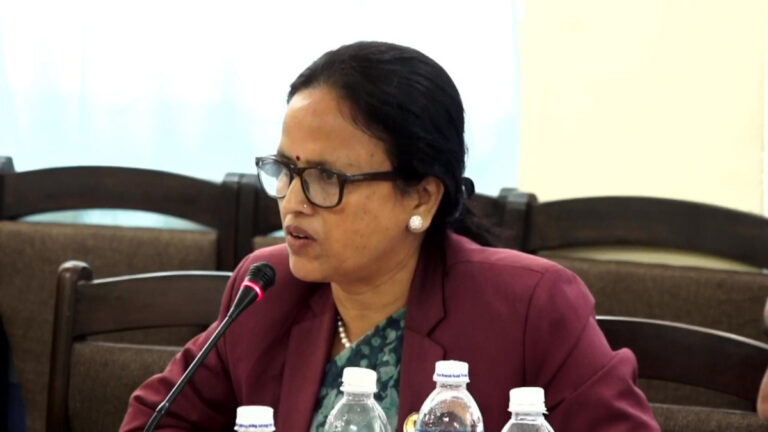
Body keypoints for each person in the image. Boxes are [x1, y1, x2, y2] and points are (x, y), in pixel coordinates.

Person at [120, 41, 660, 432]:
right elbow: (155, 420)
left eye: (328, 178)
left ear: (422, 197)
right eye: (285, 169)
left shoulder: (529, 306)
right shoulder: (266, 288)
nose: (294, 199)